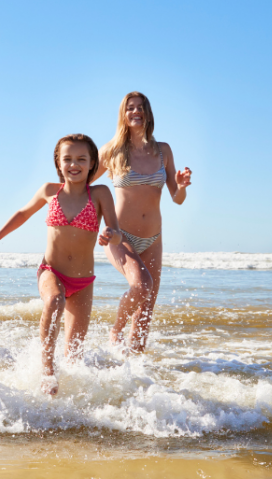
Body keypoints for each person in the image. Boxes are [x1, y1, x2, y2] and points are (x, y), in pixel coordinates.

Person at [0, 134, 121, 395]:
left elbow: (117, 230)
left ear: (92, 163)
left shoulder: (100, 193)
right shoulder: (49, 191)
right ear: (59, 162)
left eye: (81, 158)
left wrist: (110, 235)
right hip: (51, 271)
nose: (74, 164)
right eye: (67, 158)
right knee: (54, 300)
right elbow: (23, 213)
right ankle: (46, 372)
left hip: (83, 281)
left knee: (74, 353)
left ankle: (66, 406)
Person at [92, 92, 192, 353]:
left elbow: (177, 198)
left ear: (148, 113)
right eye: (130, 108)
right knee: (141, 286)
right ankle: (115, 329)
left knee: (145, 315)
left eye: (140, 108)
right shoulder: (112, 150)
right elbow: (81, 182)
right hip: (119, 236)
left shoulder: (163, 151)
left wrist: (181, 186)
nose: (136, 112)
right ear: (123, 115)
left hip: (153, 239)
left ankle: (137, 379)